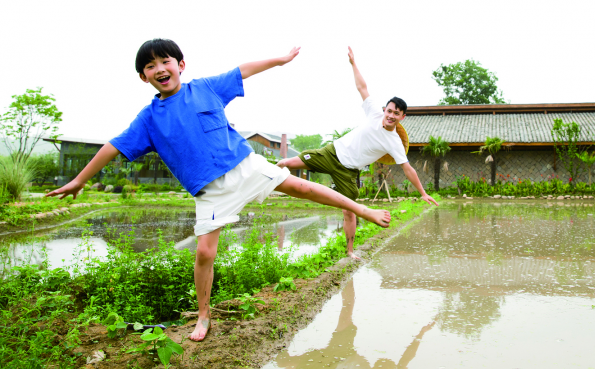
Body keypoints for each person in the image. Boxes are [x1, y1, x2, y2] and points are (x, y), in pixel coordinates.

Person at [46, 39, 392, 342]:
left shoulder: (205, 88)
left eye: (165, 61)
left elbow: (242, 70)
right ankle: (203, 314)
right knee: (204, 254)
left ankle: (364, 211)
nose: (159, 68)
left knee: (304, 188)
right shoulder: (149, 119)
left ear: (180, 65)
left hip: (245, 166)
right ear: (144, 77)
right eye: (150, 66)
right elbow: (112, 146)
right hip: (210, 192)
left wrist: (281, 60)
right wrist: (80, 179)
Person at [277, 47, 438, 260]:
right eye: (389, 111)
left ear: (402, 117)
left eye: (396, 114)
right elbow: (362, 87)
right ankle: (268, 171)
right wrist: (353, 63)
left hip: (349, 171)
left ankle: (350, 251)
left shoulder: (395, 142)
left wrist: (422, 192)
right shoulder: (374, 112)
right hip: (332, 152)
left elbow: (408, 169)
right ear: (385, 110)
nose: (390, 116)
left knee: (349, 209)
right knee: (290, 162)